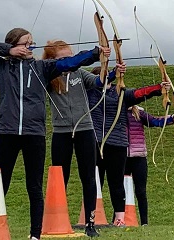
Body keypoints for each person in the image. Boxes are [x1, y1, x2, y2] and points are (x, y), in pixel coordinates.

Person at [0, 28, 110, 240]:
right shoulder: (0, 67)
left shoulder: (41, 67)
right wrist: (10, 51)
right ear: (15, 45)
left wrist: (95, 53)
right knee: (2, 182)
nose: (31, 47)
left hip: (34, 134)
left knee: (34, 186)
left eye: (32, 43)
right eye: (26, 43)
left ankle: (35, 234)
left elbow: (69, 63)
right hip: (7, 132)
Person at [42, 40, 125, 237]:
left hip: (85, 129)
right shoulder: (48, 74)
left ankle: (90, 223)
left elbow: (98, 82)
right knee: (60, 177)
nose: (69, 61)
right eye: (64, 58)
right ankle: (56, 220)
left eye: (70, 57)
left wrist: (113, 71)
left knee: (88, 177)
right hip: (61, 132)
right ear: (53, 60)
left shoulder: (79, 73)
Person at [87, 67, 171, 227]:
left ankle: (120, 219)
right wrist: (112, 71)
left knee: (116, 182)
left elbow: (139, 93)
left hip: (117, 143)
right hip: (96, 142)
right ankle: (90, 219)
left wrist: (159, 88)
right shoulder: (90, 92)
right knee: (93, 181)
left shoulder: (121, 94)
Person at [125, 105, 174, 226]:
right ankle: (118, 219)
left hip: (139, 156)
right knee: (120, 190)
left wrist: (172, 118)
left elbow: (154, 121)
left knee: (141, 191)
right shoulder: (115, 111)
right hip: (121, 157)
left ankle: (144, 223)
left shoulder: (139, 113)